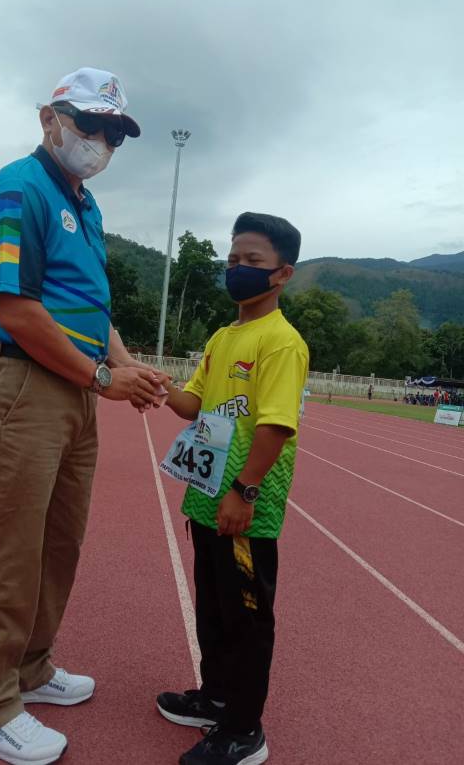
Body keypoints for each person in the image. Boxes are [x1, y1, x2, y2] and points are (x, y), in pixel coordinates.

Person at [0, 68, 165, 765]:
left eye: (113, 133)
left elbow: (87, 307)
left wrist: (124, 363)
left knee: (58, 542)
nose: (100, 141)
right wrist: (105, 378)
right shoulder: (19, 190)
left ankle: (32, 668)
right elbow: (17, 309)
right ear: (50, 116)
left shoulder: (83, 202)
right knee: (8, 550)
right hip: (24, 382)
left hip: (72, 389)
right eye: (90, 124)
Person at [155, 212, 309, 765]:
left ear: (282, 274)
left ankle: (245, 730)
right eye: (233, 259)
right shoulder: (224, 337)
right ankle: (216, 696)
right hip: (206, 494)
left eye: (253, 262)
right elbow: (195, 403)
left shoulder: (281, 342)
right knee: (214, 606)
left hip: (245, 503)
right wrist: (159, 386)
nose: (237, 269)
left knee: (246, 616)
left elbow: (274, 425)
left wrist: (243, 492)